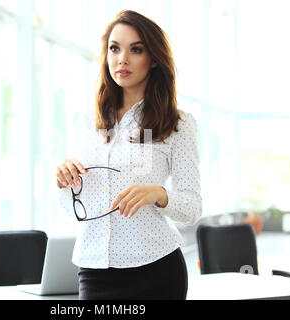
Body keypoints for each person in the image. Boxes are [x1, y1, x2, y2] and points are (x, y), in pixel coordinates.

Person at [55, 10, 202, 300]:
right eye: (114, 48)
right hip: (94, 268)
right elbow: (74, 208)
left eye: (136, 49)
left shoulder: (178, 124)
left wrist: (158, 194)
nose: (122, 58)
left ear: (155, 59)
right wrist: (64, 181)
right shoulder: (86, 123)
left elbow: (192, 208)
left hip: (156, 269)